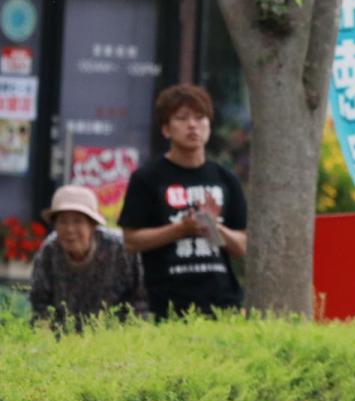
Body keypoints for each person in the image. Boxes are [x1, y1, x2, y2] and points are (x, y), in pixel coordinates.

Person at [119, 84, 248, 319]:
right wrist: (180, 229)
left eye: (200, 118)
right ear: (166, 129)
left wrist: (211, 227)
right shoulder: (147, 178)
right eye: (182, 118)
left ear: (209, 126)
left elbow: (242, 246)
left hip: (222, 303)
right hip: (166, 305)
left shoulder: (226, 179)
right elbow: (130, 241)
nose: (193, 125)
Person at [30, 184, 145, 328]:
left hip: (116, 336)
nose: (70, 229)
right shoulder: (49, 252)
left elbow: (141, 299)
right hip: (63, 340)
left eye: (78, 221)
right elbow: (40, 305)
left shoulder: (120, 249)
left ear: (92, 225)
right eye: (62, 221)